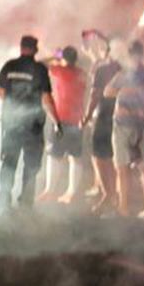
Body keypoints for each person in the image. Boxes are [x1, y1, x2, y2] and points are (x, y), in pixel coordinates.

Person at [0, 35, 61, 214]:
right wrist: (57, 121)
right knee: (31, 166)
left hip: (11, 124)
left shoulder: (9, 66)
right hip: (33, 127)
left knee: (9, 164)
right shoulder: (39, 70)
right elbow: (47, 98)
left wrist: (13, 105)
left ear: (21, 47)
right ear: (35, 50)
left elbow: (1, 93)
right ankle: (25, 205)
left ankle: (3, 204)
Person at [104, 40, 144, 218]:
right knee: (141, 167)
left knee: (125, 167)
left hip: (127, 125)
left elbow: (107, 91)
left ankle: (127, 207)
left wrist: (124, 93)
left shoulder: (128, 74)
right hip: (138, 125)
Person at [38, 46, 88, 203]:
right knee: (75, 157)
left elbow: (39, 64)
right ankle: (71, 193)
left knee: (54, 155)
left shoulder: (60, 71)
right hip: (77, 119)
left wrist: (55, 56)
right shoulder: (82, 73)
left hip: (60, 119)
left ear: (64, 59)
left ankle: (50, 191)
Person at [82, 31, 122, 213]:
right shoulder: (124, 68)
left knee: (99, 155)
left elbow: (95, 95)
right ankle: (118, 196)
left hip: (105, 115)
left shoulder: (103, 69)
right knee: (117, 157)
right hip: (123, 116)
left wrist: (87, 116)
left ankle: (109, 194)